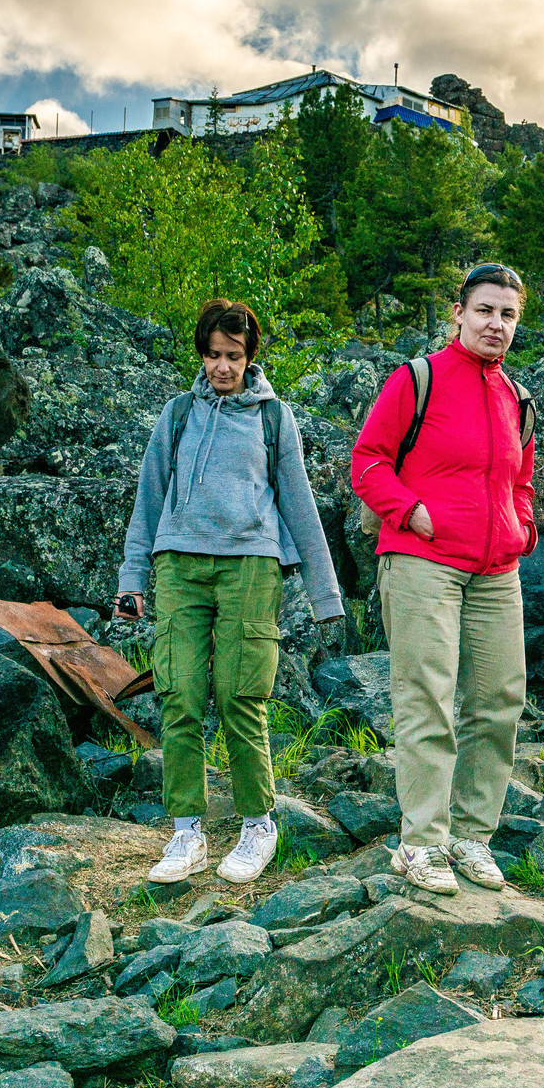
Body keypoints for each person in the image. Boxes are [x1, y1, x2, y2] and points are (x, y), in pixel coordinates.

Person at [116, 299, 343, 886]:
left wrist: (326, 598)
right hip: (179, 566)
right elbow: (148, 499)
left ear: (250, 357)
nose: (223, 367)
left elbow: (298, 503)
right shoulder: (176, 416)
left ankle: (256, 826)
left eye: (234, 357)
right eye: (214, 355)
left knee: (242, 696)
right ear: (201, 355)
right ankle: (186, 831)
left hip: (250, 567)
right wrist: (131, 580)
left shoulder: (275, 419)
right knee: (180, 694)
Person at [348, 262, 537, 896]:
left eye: (508, 314)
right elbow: (368, 460)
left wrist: (523, 528)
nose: (496, 324)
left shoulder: (516, 398)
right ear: (458, 313)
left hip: (496, 571)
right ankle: (421, 844)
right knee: (426, 698)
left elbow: (520, 481)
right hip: (423, 560)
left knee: (499, 700)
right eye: (485, 310)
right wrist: (411, 512)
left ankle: (472, 837)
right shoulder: (417, 379)